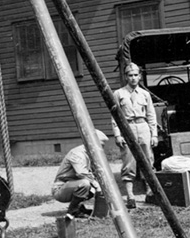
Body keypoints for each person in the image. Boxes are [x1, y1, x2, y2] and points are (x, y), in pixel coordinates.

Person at [112, 63, 158, 209]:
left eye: (135, 75)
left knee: (148, 160)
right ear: (126, 77)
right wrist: (118, 135)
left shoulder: (145, 94)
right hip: (128, 127)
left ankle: (150, 192)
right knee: (128, 162)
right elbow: (115, 117)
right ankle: (130, 196)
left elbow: (151, 115)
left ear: (139, 76)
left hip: (143, 126)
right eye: (130, 75)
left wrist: (154, 135)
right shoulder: (119, 93)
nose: (133, 78)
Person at [52, 130, 109, 218]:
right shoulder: (77, 154)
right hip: (61, 189)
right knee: (85, 184)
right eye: (101, 145)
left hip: (73, 185)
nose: (102, 148)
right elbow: (82, 173)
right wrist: (97, 185)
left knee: (92, 184)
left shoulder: (90, 153)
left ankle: (80, 207)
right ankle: (72, 211)